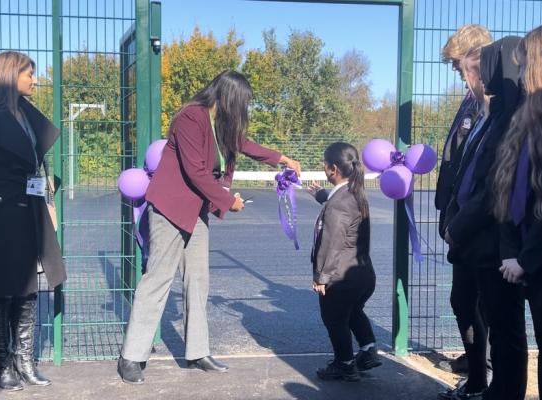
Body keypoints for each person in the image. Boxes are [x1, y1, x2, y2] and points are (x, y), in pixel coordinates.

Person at [117, 70, 301, 384]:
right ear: (228, 97)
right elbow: (196, 172)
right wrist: (229, 202)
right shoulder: (191, 117)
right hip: (169, 209)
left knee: (199, 281)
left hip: (195, 211)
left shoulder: (221, 125)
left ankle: (197, 352)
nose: (244, 110)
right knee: (158, 279)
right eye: (242, 102)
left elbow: (244, 144)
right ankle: (131, 357)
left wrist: (281, 158)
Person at [0, 51, 66, 391]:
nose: (34, 79)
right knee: (1, 291)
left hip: (29, 209)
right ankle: (1, 364)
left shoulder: (27, 116)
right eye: (29, 73)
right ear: (11, 75)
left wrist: (47, 200)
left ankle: (24, 360)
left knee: (28, 288)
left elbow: (35, 167)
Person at [443, 37, 528, 400]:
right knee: (485, 312)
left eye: (471, 69)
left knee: (505, 326)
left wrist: (458, 226)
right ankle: (488, 386)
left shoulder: (512, 118)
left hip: (495, 241)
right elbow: (467, 170)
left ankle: (500, 389)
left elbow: (496, 186)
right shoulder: (492, 114)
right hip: (474, 239)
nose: (470, 79)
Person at [493, 22, 542, 400]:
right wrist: (513, 252)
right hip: (535, 267)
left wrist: (527, 258)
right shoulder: (530, 116)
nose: (521, 75)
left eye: (525, 65)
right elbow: (513, 191)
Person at [434, 25, 493, 384]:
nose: (458, 75)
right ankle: (477, 362)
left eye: (459, 66)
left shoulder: (494, 104)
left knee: (473, 300)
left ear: (477, 59)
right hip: (460, 217)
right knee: (467, 299)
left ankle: (479, 372)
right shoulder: (471, 100)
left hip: (477, 224)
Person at [310, 142, 381, 382]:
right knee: (353, 312)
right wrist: (320, 195)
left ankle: (344, 363)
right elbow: (338, 209)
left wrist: (322, 276)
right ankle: (368, 350)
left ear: (332, 169)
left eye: (324, 164)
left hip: (341, 276)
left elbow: (332, 241)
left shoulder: (339, 203)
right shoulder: (354, 193)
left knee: (334, 319)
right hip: (363, 275)